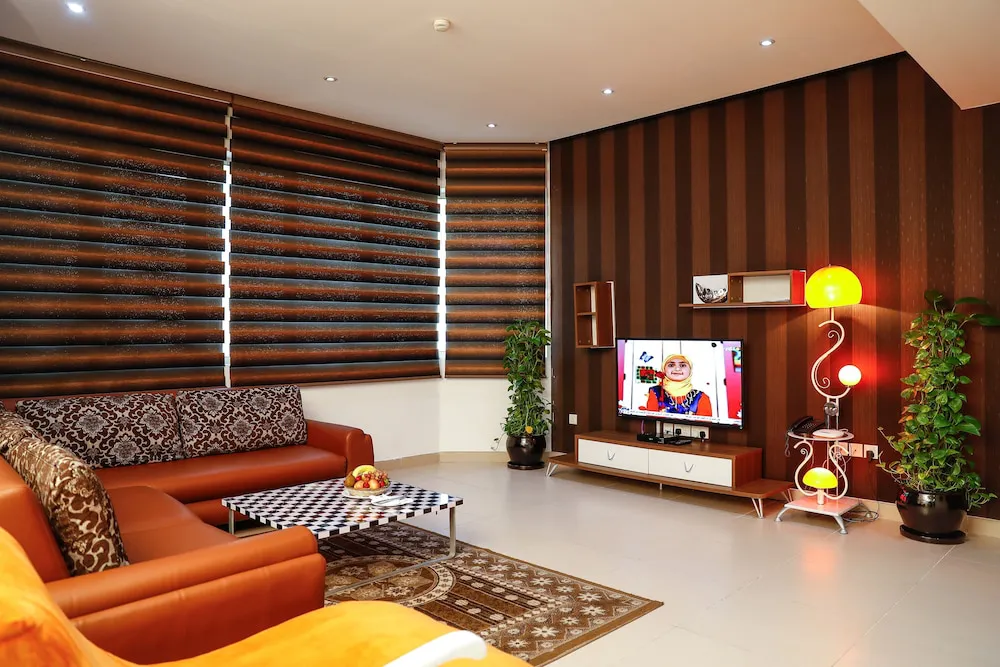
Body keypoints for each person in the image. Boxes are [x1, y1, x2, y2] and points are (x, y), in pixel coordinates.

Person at [643, 354, 713, 416]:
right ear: (664, 370)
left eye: (683, 365)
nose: (677, 368)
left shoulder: (700, 397)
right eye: (671, 365)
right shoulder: (655, 392)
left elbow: (704, 425)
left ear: (690, 370)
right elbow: (651, 422)